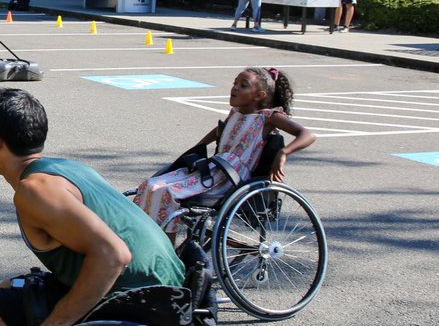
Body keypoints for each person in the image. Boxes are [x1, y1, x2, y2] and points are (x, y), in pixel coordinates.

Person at [0, 88, 186, 326]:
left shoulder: (34, 191)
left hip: (137, 302)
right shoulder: (66, 169)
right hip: (170, 290)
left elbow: (114, 254)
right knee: (10, 295)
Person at [132, 67, 316, 236]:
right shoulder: (235, 111)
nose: (234, 88)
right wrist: (198, 147)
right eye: (235, 83)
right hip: (213, 168)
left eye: (243, 85)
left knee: (167, 193)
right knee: (150, 185)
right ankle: (146, 242)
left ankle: (168, 256)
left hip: (230, 177)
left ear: (259, 95)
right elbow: (220, 129)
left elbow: (307, 135)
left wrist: (283, 153)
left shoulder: (269, 117)